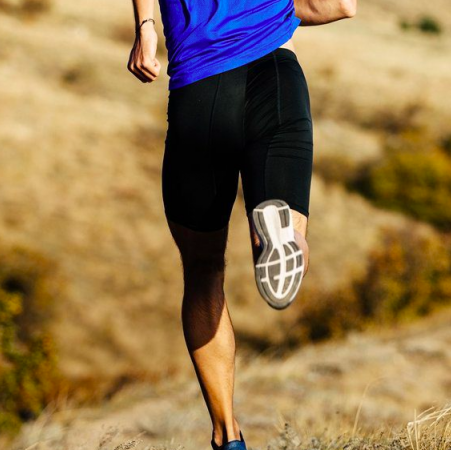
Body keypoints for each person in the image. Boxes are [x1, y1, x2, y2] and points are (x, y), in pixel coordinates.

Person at [126, 0, 355, 448]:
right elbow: (342, 6)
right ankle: (281, 237)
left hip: (202, 86)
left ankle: (227, 433)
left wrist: (145, 28)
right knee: (287, 228)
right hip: (277, 77)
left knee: (203, 269)